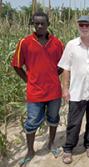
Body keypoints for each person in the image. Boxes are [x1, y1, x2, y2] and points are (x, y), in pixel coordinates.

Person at [11, 12, 64, 167]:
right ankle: (30, 151)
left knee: (53, 118)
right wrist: (28, 80)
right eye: (36, 23)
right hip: (35, 92)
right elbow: (16, 65)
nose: (39, 26)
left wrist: (55, 74)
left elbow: (64, 62)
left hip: (54, 91)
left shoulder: (57, 43)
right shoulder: (25, 42)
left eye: (42, 23)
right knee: (32, 122)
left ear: (48, 24)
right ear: (33, 24)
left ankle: (51, 144)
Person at [58, 15, 89, 164]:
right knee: (74, 122)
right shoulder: (71, 45)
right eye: (82, 25)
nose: (84, 28)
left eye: (87, 25)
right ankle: (68, 148)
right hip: (77, 91)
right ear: (78, 26)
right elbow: (66, 69)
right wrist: (65, 89)